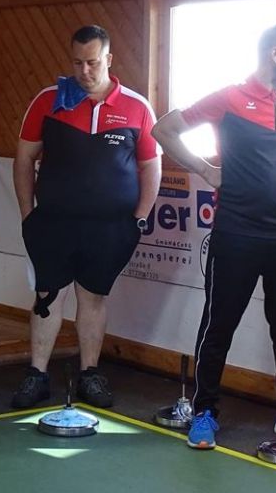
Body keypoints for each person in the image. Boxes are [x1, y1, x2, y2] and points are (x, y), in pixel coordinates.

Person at [151, 24, 276, 450]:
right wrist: (206, 170)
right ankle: (204, 411)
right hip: (237, 232)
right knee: (219, 324)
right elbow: (164, 130)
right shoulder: (230, 98)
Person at [10, 25, 162, 409]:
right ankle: (36, 375)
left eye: (92, 62)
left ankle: (90, 374)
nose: (84, 71)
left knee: (93, 297)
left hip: (110, 227)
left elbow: (151, 166)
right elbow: (24, 158)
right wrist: (28, 214)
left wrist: (140, 218)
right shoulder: (48, 101)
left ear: (108, 59)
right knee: (47, 295)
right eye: (77, 63)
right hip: (53, 223)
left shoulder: (137, 107)